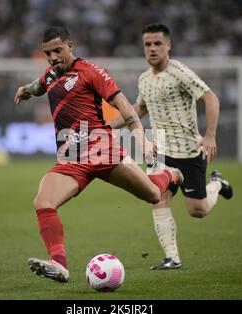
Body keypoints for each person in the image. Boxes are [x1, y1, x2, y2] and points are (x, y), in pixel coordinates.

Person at [14, 26, 183, 283]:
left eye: (58, 51)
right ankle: (59, 265)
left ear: (70, 45)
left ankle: (170, 174)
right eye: (47, 53)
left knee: (152, 194)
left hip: (102, 150)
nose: (53, 58)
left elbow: (122, 104)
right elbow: (38, 87)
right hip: (72, 159)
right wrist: (25, 90)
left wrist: (138, 133)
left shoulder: (91, 72)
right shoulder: (50, 75)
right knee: (43, 202)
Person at [109, 23, 233, 271]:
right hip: (160, 150)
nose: (152, 49)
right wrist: (107, 126)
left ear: (168, 46)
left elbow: (210, 98)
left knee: (197, 210)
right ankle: (172, 258)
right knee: (157, 197)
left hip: (188, 150)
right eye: (147, 44)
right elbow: (139, 110)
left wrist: (209, 135)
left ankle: (217, 184)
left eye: (157, 44)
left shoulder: (180, 72)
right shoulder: (144, 79)